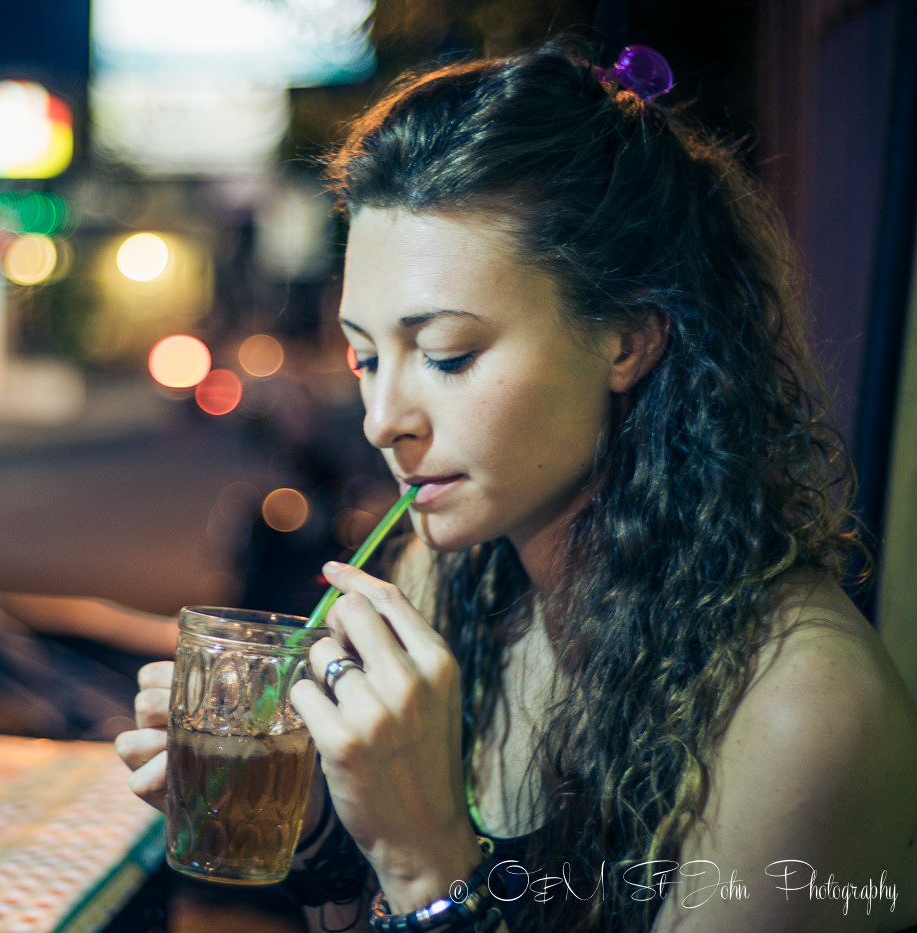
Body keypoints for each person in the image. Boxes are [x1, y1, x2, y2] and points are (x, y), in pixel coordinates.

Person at [115, 36, 917, 933]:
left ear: (627, 338)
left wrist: (429, 862)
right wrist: (317, 830)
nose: (385, 419)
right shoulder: (442, 580)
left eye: (448, 355)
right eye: (366, 356)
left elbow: (420, 890)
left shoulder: (800, 712)